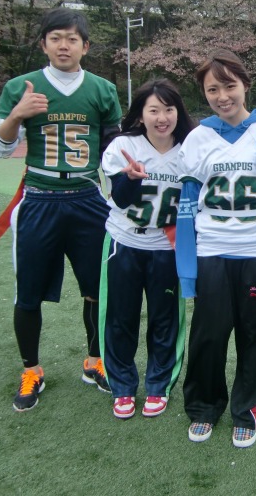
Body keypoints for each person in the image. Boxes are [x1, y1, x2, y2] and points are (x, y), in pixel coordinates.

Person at [0, 8, 122, 412]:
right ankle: (32, 369)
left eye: (72, 39)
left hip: (87, 199)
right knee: (27, 292)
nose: (64, 45)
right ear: (43, 43)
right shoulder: (20, 87)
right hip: (40, 198)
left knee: (97, 288)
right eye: (56, 38)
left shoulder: (102, 89)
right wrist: (17, 115)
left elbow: (113, 148)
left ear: (85, 46)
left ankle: (95, 361)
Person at [175, 48, 256, 448]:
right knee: (208, 335)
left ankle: (248, 411)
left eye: (229, 86)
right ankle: (203, 406)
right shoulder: (198, 137)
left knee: (255, 335)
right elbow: (188, 204)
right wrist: (186, 265)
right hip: (212, 250)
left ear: (246, 84)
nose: (222, 96)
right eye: (212, 89)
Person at [99, 79, 194, 420]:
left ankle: (158, 385)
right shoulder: (124, 146)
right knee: (120, 317)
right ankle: (122, 386)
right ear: (141, 114)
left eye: (169, 109)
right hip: (125, 242)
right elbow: (121, 199)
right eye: (153, 110)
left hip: (166, 247)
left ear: (178, 112)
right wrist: (129, 179)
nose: (162, 117)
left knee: (164, 319)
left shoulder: (190, 149)